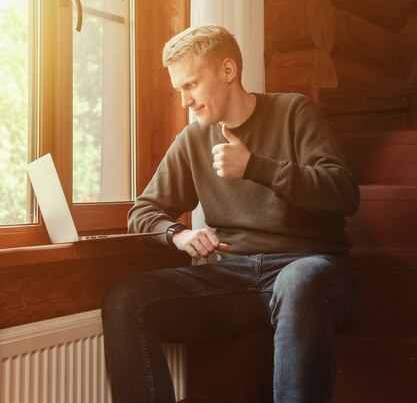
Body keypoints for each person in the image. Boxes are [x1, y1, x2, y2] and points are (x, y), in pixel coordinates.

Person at [102, 24, 360, 403]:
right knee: (127, 300)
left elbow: (344, 193)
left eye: (190, 85)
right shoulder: (192, 139)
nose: (185, 101)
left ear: (227, 71)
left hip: (311, 270)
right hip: (234, 278)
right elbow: (143, 210)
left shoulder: (293, 111)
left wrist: (256, 166)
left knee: (299, 280)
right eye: (179, 91)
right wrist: (179, 234)